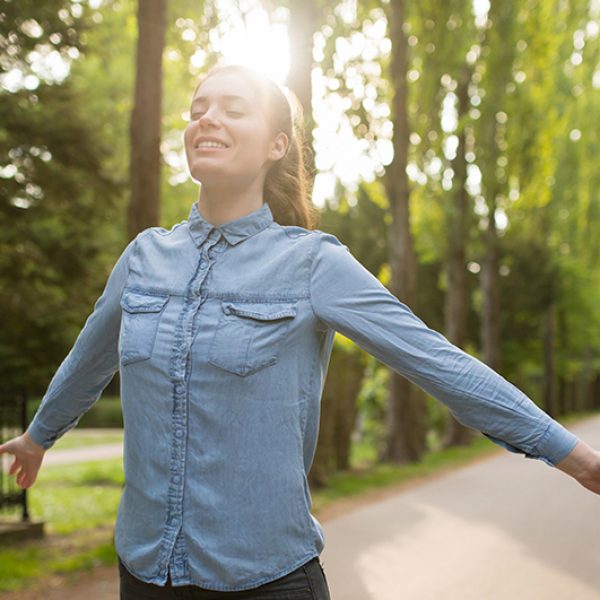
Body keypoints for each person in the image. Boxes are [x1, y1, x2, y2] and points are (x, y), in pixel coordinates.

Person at [1, 61, 599, 599]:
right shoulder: (143, 257)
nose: (207, 118)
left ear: (276, 145)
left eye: (233, 109)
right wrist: (38, 437)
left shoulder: (314, 264)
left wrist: (571, 455)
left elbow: (436, 362)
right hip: (146, 576)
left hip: (267, 584)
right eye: (198, 109)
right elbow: (89, 358)